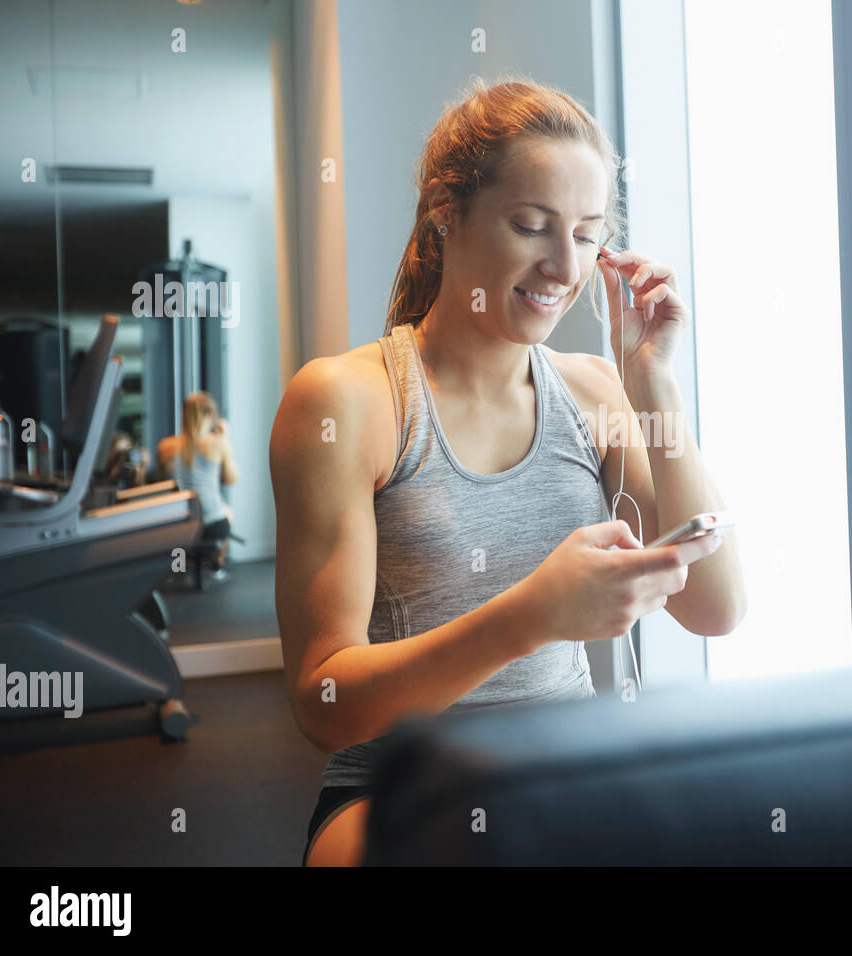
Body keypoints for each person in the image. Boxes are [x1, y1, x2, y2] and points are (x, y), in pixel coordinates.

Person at [270, 77, 747, 867]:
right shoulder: (348, 402)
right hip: (398, 786)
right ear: (444, 210)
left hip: (560, 774)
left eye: (590, 236)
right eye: (533, 225)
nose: (565, 265)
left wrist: (654, 384)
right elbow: (325, 703)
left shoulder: (594, 390)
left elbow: (716, 606)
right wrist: (530, 616)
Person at [159, 392, 240, 575]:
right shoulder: (217, 443)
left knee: (184, 527)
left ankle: (177, 568)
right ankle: (216, 566)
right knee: (226, 510)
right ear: (210, 415)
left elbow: (163, 481)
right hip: (211, 526)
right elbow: (231, 479)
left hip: (178, 524)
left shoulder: (166, 446)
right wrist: (225, 437)